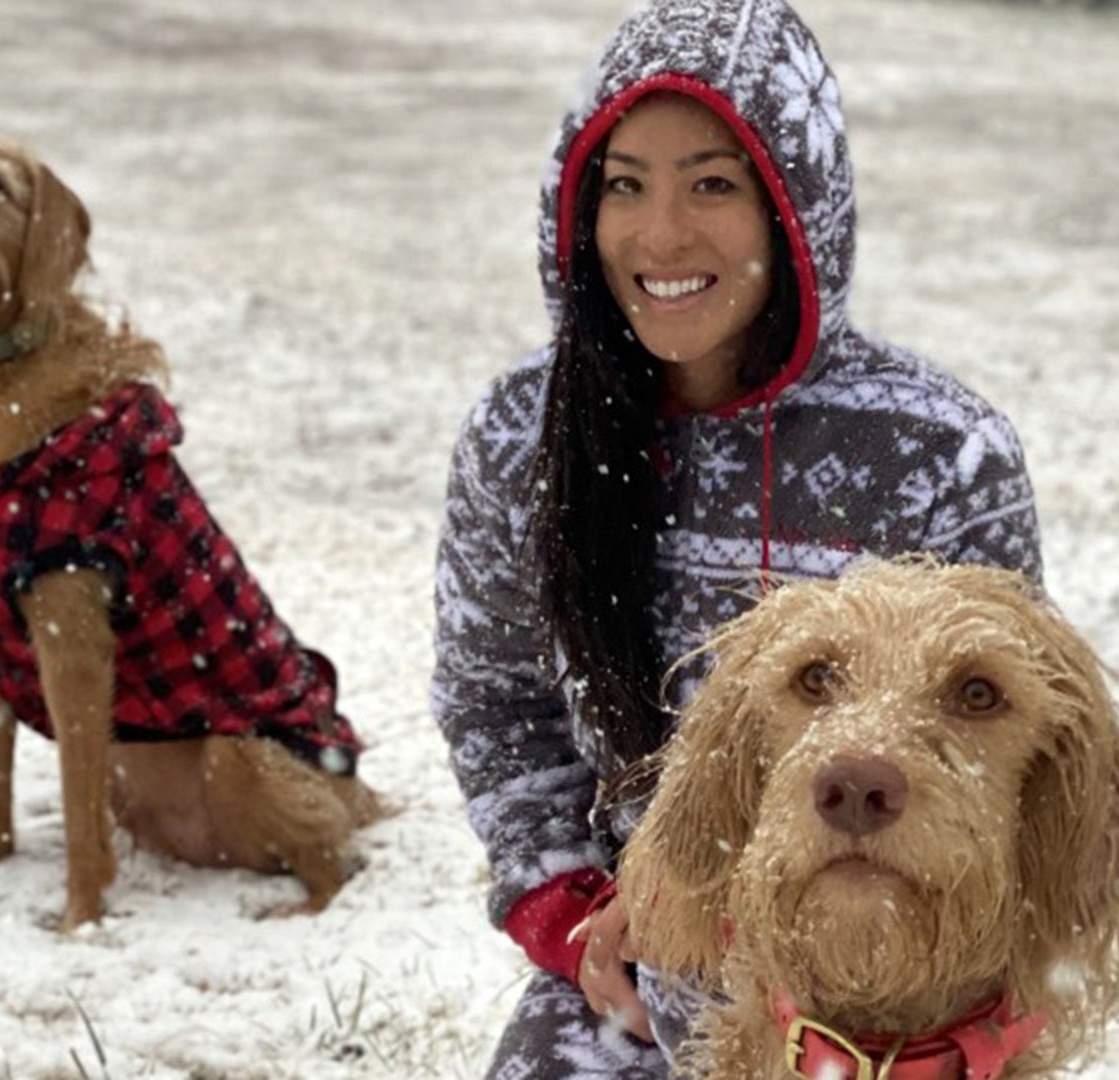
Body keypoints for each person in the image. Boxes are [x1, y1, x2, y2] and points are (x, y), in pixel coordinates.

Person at [430, 0, 1043, 1074]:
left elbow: (1002, 757)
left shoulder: (942, 452)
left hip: (881, 979)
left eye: (712, 182)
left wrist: (959, 1020)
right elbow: (498, 698)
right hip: (624, 964)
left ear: (794, 205)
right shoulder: (525, 435)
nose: (660, 237)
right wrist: (572, 907)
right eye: (625, 184)